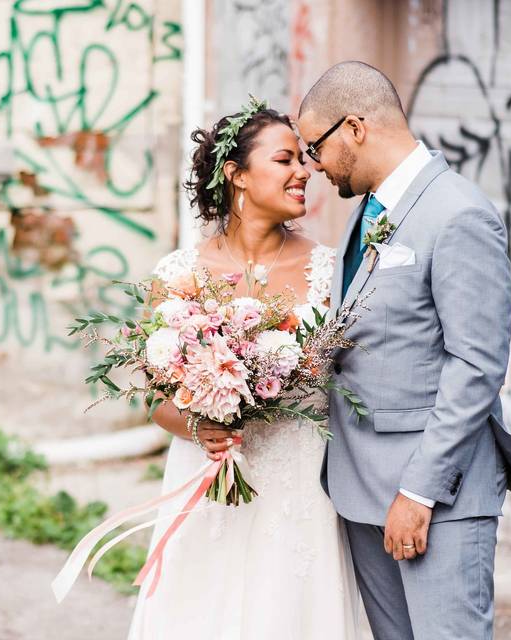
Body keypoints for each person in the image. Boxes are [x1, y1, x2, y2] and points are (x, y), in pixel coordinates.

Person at [296, 61, 511, 639]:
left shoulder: (459, 214)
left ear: (356, 127)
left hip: (434, 494)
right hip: (360, 487)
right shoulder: (367, 211)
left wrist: (418, 493)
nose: (312, 165)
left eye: (315, 146)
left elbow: (477, 366)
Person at [126, 102, 363, 639]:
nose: (304, 171)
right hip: (208, 482)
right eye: (285, 159)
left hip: (301, 484)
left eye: (304, 159)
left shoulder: (330, 270)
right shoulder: (180, 273)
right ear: (236, 174)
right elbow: (154, 398)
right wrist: (198, 425)